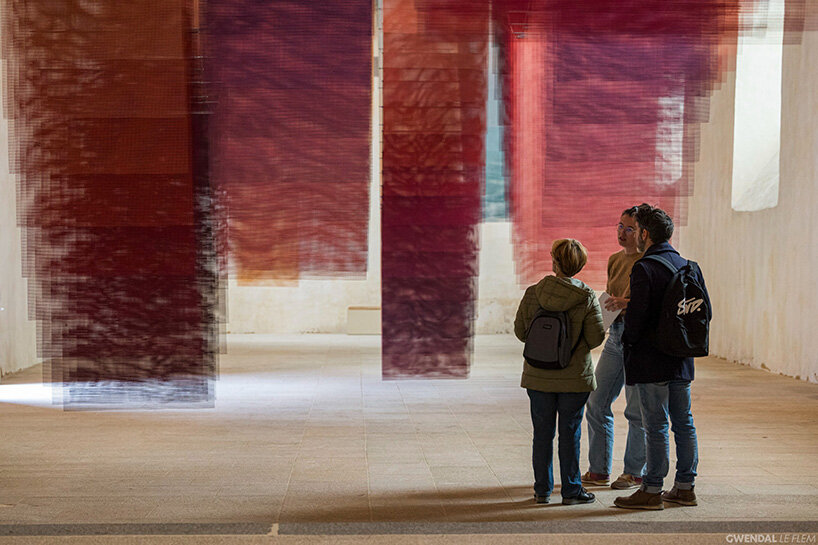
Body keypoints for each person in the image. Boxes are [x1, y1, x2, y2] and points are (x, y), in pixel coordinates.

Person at [614, 204, 709, 510]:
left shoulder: (644, 268)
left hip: (651, 360)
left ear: (644, 233)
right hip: (681, 358)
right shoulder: (688, 265)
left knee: (655, 424)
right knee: (684, 423)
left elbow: (637, 319)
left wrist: (627, 342)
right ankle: (685, 487)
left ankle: (652, 489)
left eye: (636, 229)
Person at [514, 239, 605, 505]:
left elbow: (521, 332)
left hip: (538, 375)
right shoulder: (586, 296)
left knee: (541, 433)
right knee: (570, 432)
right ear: (579, 265)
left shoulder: (533, 293)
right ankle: (571, 491)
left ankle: (542, 489)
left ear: (554, 261)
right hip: (574, 377)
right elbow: (596, 337)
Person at [582, 206, 646, 490]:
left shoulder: (649, 262)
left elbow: (650, 305)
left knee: (636, 410)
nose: (622, 232)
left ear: (643, 232)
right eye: (619, 226)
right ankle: (599, 470)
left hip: (639, 339)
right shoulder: (614, 260)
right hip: (616, 336)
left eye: (629, 228)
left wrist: (625, 304)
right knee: (596, 401)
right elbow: (612, 296)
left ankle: (634, 471)